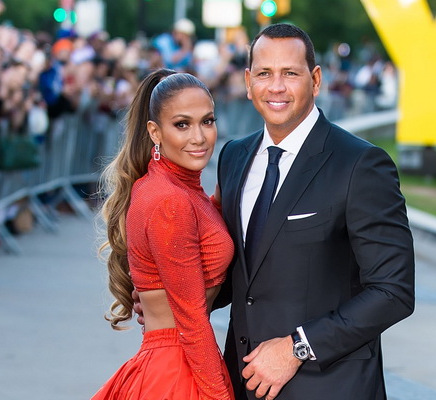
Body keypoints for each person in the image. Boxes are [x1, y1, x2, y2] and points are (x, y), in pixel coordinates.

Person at [214, 23, 415, 399]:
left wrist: (297, 347)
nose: (276, 87)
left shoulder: (360, 164)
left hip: (330, 387)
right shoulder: (233, 157)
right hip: (243, 382)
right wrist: (171, 298)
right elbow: (243, 276)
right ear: (248, 81)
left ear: (316, 79)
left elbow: (393, 291)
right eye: (264, 73)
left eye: (290, 73)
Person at [93, 69, 235, 400]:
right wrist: (219, 396)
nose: (199, 137)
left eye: (208, 121)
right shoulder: (170, 201)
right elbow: (192, 319)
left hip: (176, 361)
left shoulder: (176, 190)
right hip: (179, 369)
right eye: (182, 124)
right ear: (155, 132)